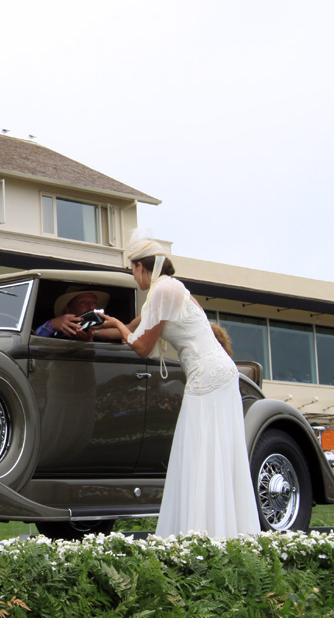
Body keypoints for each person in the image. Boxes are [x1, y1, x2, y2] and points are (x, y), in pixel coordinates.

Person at [100, 229, 260, 538]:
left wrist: (118, 325)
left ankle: (202, 534)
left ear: (140, 266)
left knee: (198, 450)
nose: (133, 277)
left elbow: (141, 346)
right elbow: (133, 327)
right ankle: (224, 530)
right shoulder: (172, 289)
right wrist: (98, 328)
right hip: (222, 373)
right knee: (217, 451)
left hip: (206, 377)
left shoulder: (161, 292)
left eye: (132, 269)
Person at [34, 290, 116, 342]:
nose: (91, 307)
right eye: (83, 302)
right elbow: (33, 343)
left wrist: (89, 339)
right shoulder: (57, 332)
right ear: (68, 310)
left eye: (94, 303)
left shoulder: (105, 326)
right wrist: (52, 324)